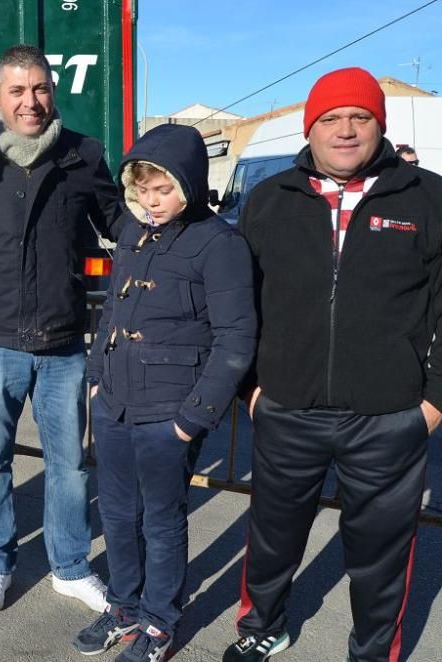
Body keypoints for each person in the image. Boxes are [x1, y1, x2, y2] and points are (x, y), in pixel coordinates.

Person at [224, 67, 442, 662]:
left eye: (360, 117)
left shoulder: (429, 198)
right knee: (271, 539)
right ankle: (261, 627)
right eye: (330, 118)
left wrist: (432, 401)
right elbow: (241, 301)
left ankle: (373, 652)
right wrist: (251, 387)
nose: (345, 130)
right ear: (310, 127)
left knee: (381, 553)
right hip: (286, 408)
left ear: (380, 124)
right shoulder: (270, 201)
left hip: (389, 416)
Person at [72, 124, 256, 661]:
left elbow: (236, 338)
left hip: (169, 411)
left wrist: (192, 419)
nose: (152, 202)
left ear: (190, 185)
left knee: (161, 518)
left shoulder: (219, 243)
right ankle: (124, 605)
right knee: (118, 514)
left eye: (164, 189)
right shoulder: (133, 232)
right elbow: (113, 309)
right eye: (143, 190)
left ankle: (158, 621)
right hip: (115, 403)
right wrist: (96, 378)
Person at [0, 44, 119, 614]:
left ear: (53, 92)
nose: (31, 101)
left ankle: (70, 566)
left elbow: (117, 220)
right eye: (17, 91)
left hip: (63, 342)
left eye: (40, 89)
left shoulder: (83, 156)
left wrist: (168, 208)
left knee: (68, 466)